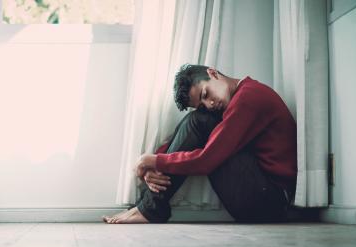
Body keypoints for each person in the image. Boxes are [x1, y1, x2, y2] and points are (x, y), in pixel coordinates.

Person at [103, 64, 297, 224]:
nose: (210, 104)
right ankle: (148, 206)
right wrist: (153, 163)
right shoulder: (238, 98)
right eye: (203, 103)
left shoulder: (249, 98)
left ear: (212, 73)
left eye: (206, 94)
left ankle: (150, 209)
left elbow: (207, 160)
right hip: (262, 194)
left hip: (271, 201)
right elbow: (188, 136)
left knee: (199, 120)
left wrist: (153, 161)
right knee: (199, 118)